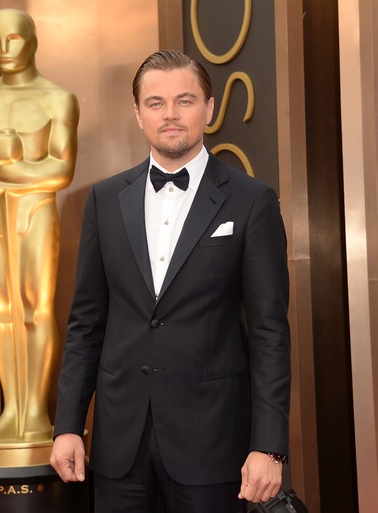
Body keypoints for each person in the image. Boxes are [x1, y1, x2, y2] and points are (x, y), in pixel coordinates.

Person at [49, 50, 290, 512]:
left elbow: (270, 333)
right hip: (119, 445)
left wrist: (269, 446)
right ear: (138, 113)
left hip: (213, 445)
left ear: (209, 109)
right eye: (156, 103)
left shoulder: (251, 201)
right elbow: (85, 325)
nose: (171, 114)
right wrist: (68, 426)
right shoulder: (103, 200)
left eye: (185, 100)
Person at [0, 8, 79, 442]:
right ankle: (12, 411)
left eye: (13, 39)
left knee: (36, 307)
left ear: (32, 41)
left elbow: (61, 170)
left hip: (35, 213)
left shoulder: (57, 99)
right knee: (4, 312)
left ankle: (38, 414)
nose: (4, 49)